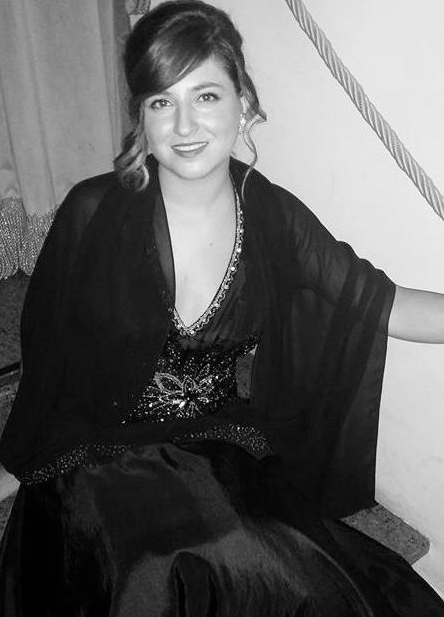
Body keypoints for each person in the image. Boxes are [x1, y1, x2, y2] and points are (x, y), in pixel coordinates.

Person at [0, 1, 443, 614]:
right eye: (162, 102)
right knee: (153, 574)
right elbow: (48, 347)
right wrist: (18, 461)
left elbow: (381, 303)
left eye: (206, 96)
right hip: (97, 452)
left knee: (293, 573)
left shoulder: (272, 215)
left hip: (214, 444)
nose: (184, 125)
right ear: (141, 117)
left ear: (245, 104)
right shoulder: (91, 210)